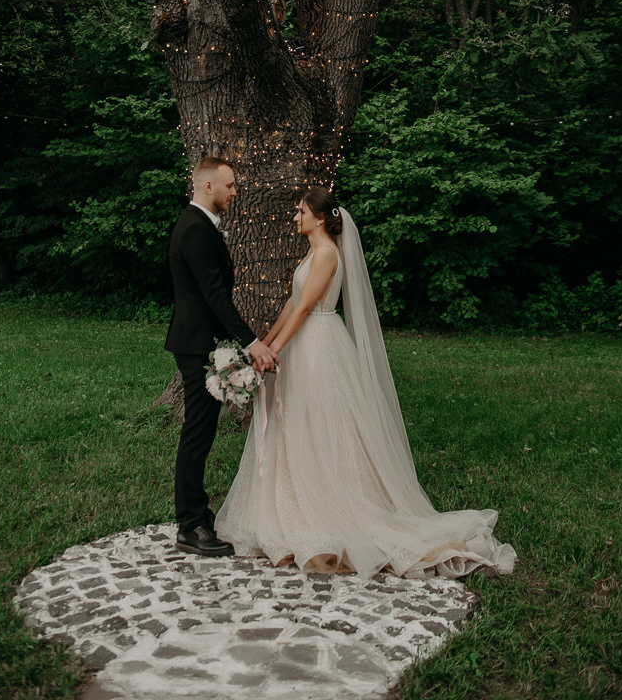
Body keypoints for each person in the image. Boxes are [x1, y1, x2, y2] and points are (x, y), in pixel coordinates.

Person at [215, 187, 516, 579]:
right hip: (301, 344)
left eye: (300, 212)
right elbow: (291, 303)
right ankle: (295, 500)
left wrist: (276, 350)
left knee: (323, 422)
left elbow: (307, 308)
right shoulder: (310, 252)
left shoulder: (327, 254)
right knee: (295, 423)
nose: (295, 218)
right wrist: (264, 346)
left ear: (319, 217)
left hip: (320, 344)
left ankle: (332, 504)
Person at [165, 157, 277, 557]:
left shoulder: (198, 226)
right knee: (197, 432)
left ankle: (197, 515)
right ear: (208, 186)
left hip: (202, 341)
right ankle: (190, 525)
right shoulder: (195, 229)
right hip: (196, 343)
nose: (234, 192)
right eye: (229, 186)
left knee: (203, 430)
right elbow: (214, 295)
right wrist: (250, 343)